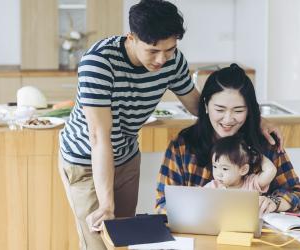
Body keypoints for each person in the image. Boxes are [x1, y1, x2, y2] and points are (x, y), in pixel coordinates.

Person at [58, 1, 282, 249]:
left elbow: (198, 106)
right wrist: (106, 205)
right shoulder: (99, 64)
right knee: (99, 241)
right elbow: (99, 137)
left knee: (123, 241)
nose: (162, 59)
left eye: (170, 49)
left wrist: (250, 117)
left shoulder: (172, 61)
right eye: (153, 51)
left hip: (127, 155)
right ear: (131, 37)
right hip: (87, 160)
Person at [156, 63, 300, 216]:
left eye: (239, 110)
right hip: (197, 235)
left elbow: (298, 195)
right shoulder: (183, 145)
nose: (228, 119)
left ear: (249, 109)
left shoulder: (265, 142)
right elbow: (163, 204)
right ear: (206, 106)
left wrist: (274, 203)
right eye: (220, 110)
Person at [204, 134, 277, 193]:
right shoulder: (213, 187)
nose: (218, 174)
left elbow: (271, 170)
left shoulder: (251, 184)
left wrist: (258, 155)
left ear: (243, 170)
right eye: (215, 167)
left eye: (225, 168)